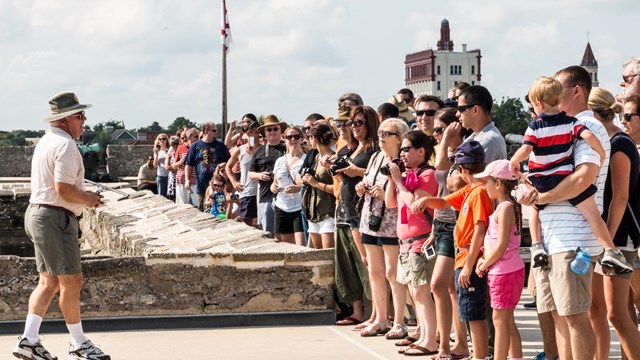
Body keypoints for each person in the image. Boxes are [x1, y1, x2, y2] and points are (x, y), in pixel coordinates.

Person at [517, 66, 610, 360]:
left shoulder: (586, 126)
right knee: (558, 314)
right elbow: (530, 171)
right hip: (552, 237)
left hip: (573, 238)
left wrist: (540, 197)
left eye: (556, 88)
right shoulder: (550, 128)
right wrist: (526, 190)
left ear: (576, 91)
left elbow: (583, 179)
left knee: (574, 316)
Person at [14, 91, 110, 360]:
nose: (84, 120)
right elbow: (63, 189)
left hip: (38, 214)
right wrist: (88, 199)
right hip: (55, 218)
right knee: (72, 281)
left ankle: (29, 340)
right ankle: (79, 344)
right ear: (66, 119)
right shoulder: (66, 145)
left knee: (49, 281)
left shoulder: (46, 141)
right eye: (80, 116)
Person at [510, 77, 631, 274]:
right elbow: (588, 136)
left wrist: (513, 162)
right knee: (592, 212)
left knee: (535, 209)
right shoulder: (571, 122)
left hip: (540, 179)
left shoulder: (535, 126)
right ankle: (610, 250)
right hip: (563, 176)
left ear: (538, 103)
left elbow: (525, 149)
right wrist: (601, 153)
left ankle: (537, 245)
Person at [412, 140, 492, 360]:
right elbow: (445, 201)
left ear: (462, 169)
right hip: (464, 256)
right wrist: (427, 200)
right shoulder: (470, 190)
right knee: (470, 313)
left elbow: (480, 230)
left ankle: (479, 356)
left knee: (475, 316)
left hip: (470, 259)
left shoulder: (478, 193)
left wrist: (468, 266)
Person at [587, 88, 640, 360]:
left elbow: (620, 197)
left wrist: (606, 239)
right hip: (604, 235)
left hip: (620, 236)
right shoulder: (602, 142)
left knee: (617, 314)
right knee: (595, 309)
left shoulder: (621, 143)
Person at [385, 130, 439, 356]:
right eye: (402, 150)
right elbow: (390, 204)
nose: (403, 154)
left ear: (421, 151)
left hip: (420, 241)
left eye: (406, 149)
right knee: (415, 292)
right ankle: (424, 334)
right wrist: (392, 180)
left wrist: (399, 182)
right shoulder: (408, 176)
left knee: (421, 292)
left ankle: (430, 340)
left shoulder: (428, 174)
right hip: (406, 242)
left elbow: (415, 204)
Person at [355, 118, 409, 339]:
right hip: (370, 218)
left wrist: (383, 193)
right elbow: (367, 179)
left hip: (391, 222)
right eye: (380, 133)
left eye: (387, 133)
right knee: (375, 272)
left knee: (392, 272)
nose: (381, 137)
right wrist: (362, 187)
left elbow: (405, 191)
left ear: (399, 138)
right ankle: (381, 319)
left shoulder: (403, 161)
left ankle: (399, 321)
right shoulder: (376, 157)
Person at [428, 107, 471, 359]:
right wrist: (434, 225)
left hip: (458, 225)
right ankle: (454, 344)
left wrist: (446, 139)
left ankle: (450, 345)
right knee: (449, 288)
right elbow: (442, 183)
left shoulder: (463, 152)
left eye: (439, 129)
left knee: (440, 285)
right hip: (442, 224)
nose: (435, 135)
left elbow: (439, 166)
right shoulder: (449, 151)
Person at [475, 160, 525, 360]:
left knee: (500, 321)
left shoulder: (504, 208)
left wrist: (484, 264)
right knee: (507, 320)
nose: (484, 186)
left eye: (486, 181)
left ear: (498, 183)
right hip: (506, 270)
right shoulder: (506, 207)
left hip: (503, 272)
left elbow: (502, 244)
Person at [334, 106, 378, 327]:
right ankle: (366, 313)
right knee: (363, 260)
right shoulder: (354, 147)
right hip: (349, 209)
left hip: (364, 210)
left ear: (369, 123)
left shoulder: (374, 148)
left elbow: (379, 172)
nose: (354, 127)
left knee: (370, 263)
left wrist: (357, 172)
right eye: (352, 123)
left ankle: (378, 314)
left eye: (359, 122)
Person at [300, 122, 336, 249]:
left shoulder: (333, 158)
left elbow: (337, 189)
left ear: (314, 138)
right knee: (317, 257)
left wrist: (315, 183)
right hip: (314, 214)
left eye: (309, 136)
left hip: (328, 213)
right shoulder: (316, 158)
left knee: (328, 257)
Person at [249, 115, 287, 234]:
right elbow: (250, 173)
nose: (272, 132)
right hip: (266, 196)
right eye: (269, 130)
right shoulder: (259, 151)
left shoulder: (288, 147)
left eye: (275, 129)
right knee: (269, 232)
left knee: (286, 234)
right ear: (264, 133)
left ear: (280, 130)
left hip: (287, 196)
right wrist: (260, 176)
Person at [271, 126, 306, 245]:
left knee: (300, 246)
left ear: (301, 139)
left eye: (296, 136)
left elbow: (311, 183)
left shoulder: (306, 159)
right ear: (284, 139)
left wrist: (298, 188)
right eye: (289, 137)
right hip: (281, 206)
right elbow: (275, 182)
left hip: (299, 207)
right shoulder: (280, 161)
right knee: (287, 247)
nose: (293, 140)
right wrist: (273, 187)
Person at [185, 122, 230, 211]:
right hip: (202, 186)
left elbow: (229, 163)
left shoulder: (220, 145)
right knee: (204, 212)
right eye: (213, 130)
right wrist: (187, 179)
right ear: (206, 131)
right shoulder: (195, 146)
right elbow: (189, 164)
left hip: (219, 187)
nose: (215, 133)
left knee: (220, 212)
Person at [225, 122, 260, 226]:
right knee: (247, 224)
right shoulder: (240, 150)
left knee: (261, 224)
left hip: (260, 192)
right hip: (246, 191)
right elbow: (228, 166)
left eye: (257, 132)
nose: (253, 134)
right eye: (251, 132)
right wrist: (234, 182)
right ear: (247, 133)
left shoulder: (263, 149)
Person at [173, 128, 199, 207]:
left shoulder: (200, 148)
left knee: (197, 205)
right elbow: (173, 166)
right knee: (182, 205)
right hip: (182, 180)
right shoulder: (181, 148)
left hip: (195, 180)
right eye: (196, 136)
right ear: (189, 138)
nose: (198, 138)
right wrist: (181, 162)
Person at [153, 133, 170, 197]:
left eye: (163, 139)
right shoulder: (157, 151)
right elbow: (155, 165)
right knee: (161, 195)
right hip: (161, 174)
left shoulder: (170, 149)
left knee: (170, 195)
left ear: (166, 140)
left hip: (169, 174)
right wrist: (156, 154)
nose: (162, 140)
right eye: (160, 139)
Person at [166, 135, 180, 201]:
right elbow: (167, 167)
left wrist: (172, 167)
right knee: (171, 197)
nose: (175, 146)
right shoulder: (170, 154)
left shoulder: (180, 154)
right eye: (173, 144)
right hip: (171, 178)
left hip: (178, 178)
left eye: (176, 144)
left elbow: (175, 168)